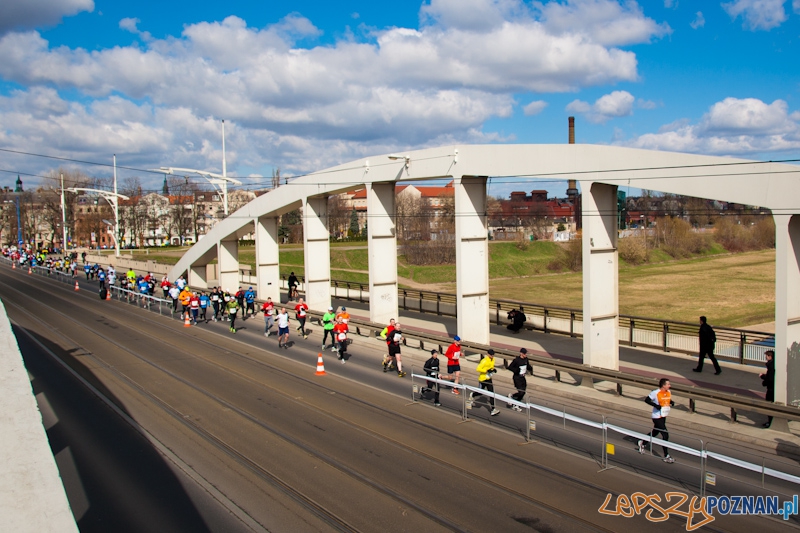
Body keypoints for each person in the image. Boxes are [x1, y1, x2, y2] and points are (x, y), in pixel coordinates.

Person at [638, 378, 676, 463]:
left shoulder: (668, 392)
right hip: (656, 417)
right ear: (663, 385)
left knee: (655, 432)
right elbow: (647, 400)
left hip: (663, 416)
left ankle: (642, 443)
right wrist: (656, 406)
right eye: (668, 384)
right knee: (665, 435)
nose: (670, 386)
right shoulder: (655, 392)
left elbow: (667, 399)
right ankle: (666, 455)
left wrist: (672, 402)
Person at [471, 349, 500, 416]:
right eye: (491, 355)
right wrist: (486, 370)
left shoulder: (493, 360)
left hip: (489, 378)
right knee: (480, 392)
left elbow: (491, 367)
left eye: (493, 355)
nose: (492, 356)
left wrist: (493, 370)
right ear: (488, 354)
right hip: (483, 379)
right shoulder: (484, 361)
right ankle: (473, 395)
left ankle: (493, 409)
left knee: (492, 393)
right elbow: (478, 369)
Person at [761, 350, 775, 428]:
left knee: (769, 404)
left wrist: (763, 379)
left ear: (770, 357)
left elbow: (769, 378)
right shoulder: (774, 364)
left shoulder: (770, 366)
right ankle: (770, 421)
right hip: (773, 388)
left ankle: (770, 422)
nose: (765, 358)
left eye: (766, 356)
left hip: (771, 389)